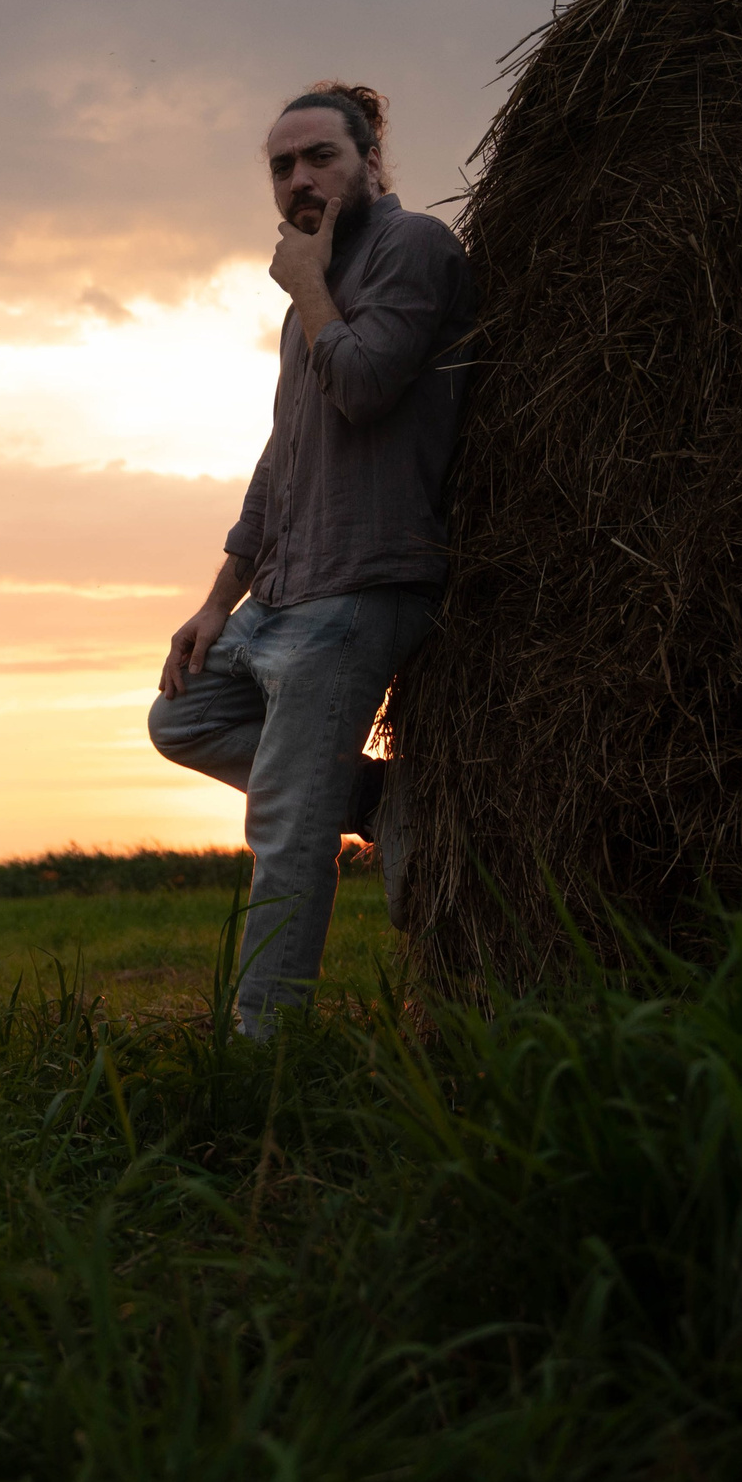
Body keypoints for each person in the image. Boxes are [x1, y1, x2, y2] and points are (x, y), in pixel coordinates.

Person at [148, 82, 475, 1038]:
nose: (299, 177)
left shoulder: (415, 247)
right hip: (283, 594)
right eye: (281, 164)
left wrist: (309, 287)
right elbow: (281, 456)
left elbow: (368, 384)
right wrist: (217, 601)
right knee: (182, 714)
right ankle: (380, 796)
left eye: (319, 156)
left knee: (288, 826)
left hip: (365, 583)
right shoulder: (310, 296)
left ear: (372, 162)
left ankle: (260, 1048)